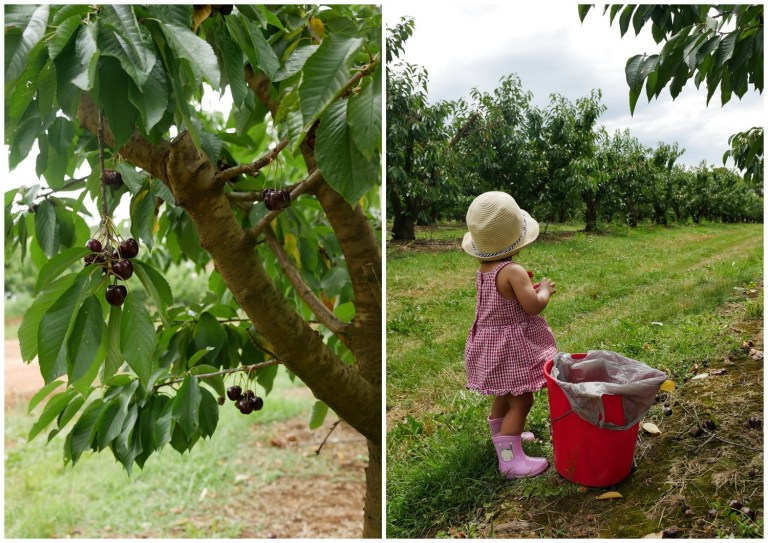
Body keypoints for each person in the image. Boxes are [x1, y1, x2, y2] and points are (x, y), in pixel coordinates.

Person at [462, 191, 557, 479]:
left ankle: (502, 434)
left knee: (504, 393)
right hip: (511, 348)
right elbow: (532, 307)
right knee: (522, 400)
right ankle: (509, 459)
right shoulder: (513, 270)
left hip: (490, 344)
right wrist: (544, 291)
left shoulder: (485, 268)